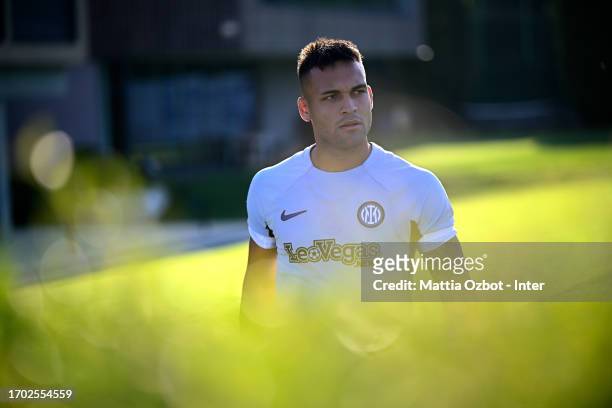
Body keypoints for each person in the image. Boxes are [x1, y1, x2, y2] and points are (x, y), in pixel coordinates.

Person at [241, 38, 461, 323]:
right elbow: (255, 301)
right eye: (331, 97)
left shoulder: (418, 186)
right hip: (300, 352)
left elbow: (458, 298)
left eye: (357, 92)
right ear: (305, 109)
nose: (349, 107)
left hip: (387, 350)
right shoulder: (269, 186)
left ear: (370, 96)